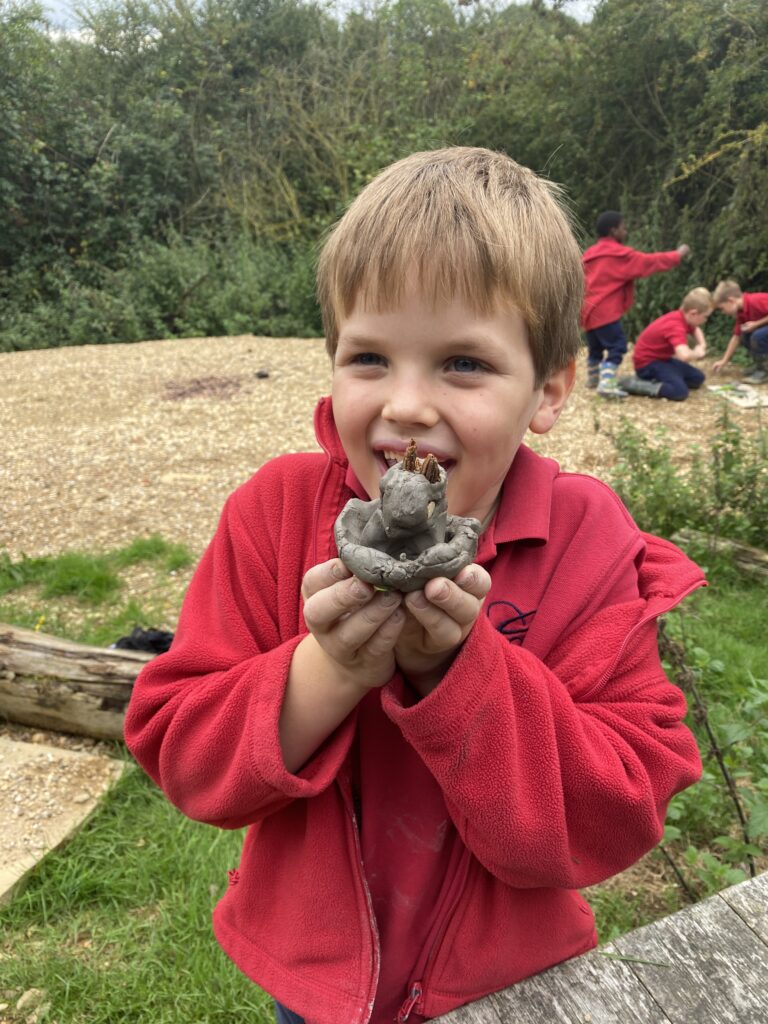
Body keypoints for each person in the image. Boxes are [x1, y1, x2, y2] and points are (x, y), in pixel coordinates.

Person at [124, 148, 704, 1024]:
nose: (405, 405)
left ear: (547, 389)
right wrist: (329, 671)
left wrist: (456, 673)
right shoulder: (273, 515)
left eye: (462, 364)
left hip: (514, 984)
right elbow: (180, 753)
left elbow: (620, 810)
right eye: (367, 358)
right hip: (316, 985)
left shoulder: (591, 541)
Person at [581, 210, 690, 399]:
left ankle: (593, 377)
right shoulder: (619, 256)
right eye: (623, 228)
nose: (626, 232)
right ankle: (606, 383)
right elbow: (650, 262)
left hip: (587, 312)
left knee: (596, 347)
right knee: (618, 346)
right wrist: (677, 255)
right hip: (606, 313)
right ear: (613, 230)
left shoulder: (589, 255)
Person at [619, 288, 711, 400]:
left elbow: (695, 329)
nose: (705, 320)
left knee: (697, 378)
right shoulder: (675, 326)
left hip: (662, 359)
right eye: (705, 316)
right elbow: (684, 356)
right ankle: (633, 384)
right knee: (679, 392)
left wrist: (702, 344)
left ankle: (663, 378)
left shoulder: (684, 317)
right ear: (693, 313)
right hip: (647, 363)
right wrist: (697, 353)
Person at [711, 279, 768, 384]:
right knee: (744, 335)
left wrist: (756, 324)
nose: (722, 312)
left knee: (757, 336)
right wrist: (724, 360)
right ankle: (759, 365)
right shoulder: (741, 312)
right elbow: (736, 337)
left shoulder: (756, 300)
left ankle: (764, 371)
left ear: (731, 301)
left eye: (722, 308)